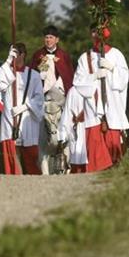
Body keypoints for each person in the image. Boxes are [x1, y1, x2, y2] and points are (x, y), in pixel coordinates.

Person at [72, 27, 129, 171]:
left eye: (98, 32)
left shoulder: (116, 54)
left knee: (114, 144)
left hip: (113, 106)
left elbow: (123, 80)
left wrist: (112, 69)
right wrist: (95, 76)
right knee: (95, 146)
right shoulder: (84, 58)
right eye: (93, 32)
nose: (96, 35)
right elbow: (78, 82)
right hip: (93, 108)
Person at [0, 43, 45, 175]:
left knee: (31, 157)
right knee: (11, 157)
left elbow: (39, 99)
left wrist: (25, 106)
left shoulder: (34, 75)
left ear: (23, 55)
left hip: (28, 118)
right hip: (10, 118)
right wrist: (8, 61)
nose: (15, 57)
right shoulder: (4, 71)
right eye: (12, 54)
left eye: (17, 54)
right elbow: (1, 85)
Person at [30, 25, 75, 174]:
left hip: (61, 96)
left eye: (51, 37)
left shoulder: (64, 55)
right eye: (46, 37)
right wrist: (39, 74)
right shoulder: (38, 55)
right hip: (43, 96)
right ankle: (41, 151)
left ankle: (65, 152)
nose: (48, 40)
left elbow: (69, 75)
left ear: (57, 39)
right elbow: (32, 75)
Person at [57, 86, 88, 173]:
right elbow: (67, 114)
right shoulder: (73, 91)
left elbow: (66, 116)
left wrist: (62, 135)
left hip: (87, 127)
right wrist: (62, 134)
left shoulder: (72, 90)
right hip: (78, 128)